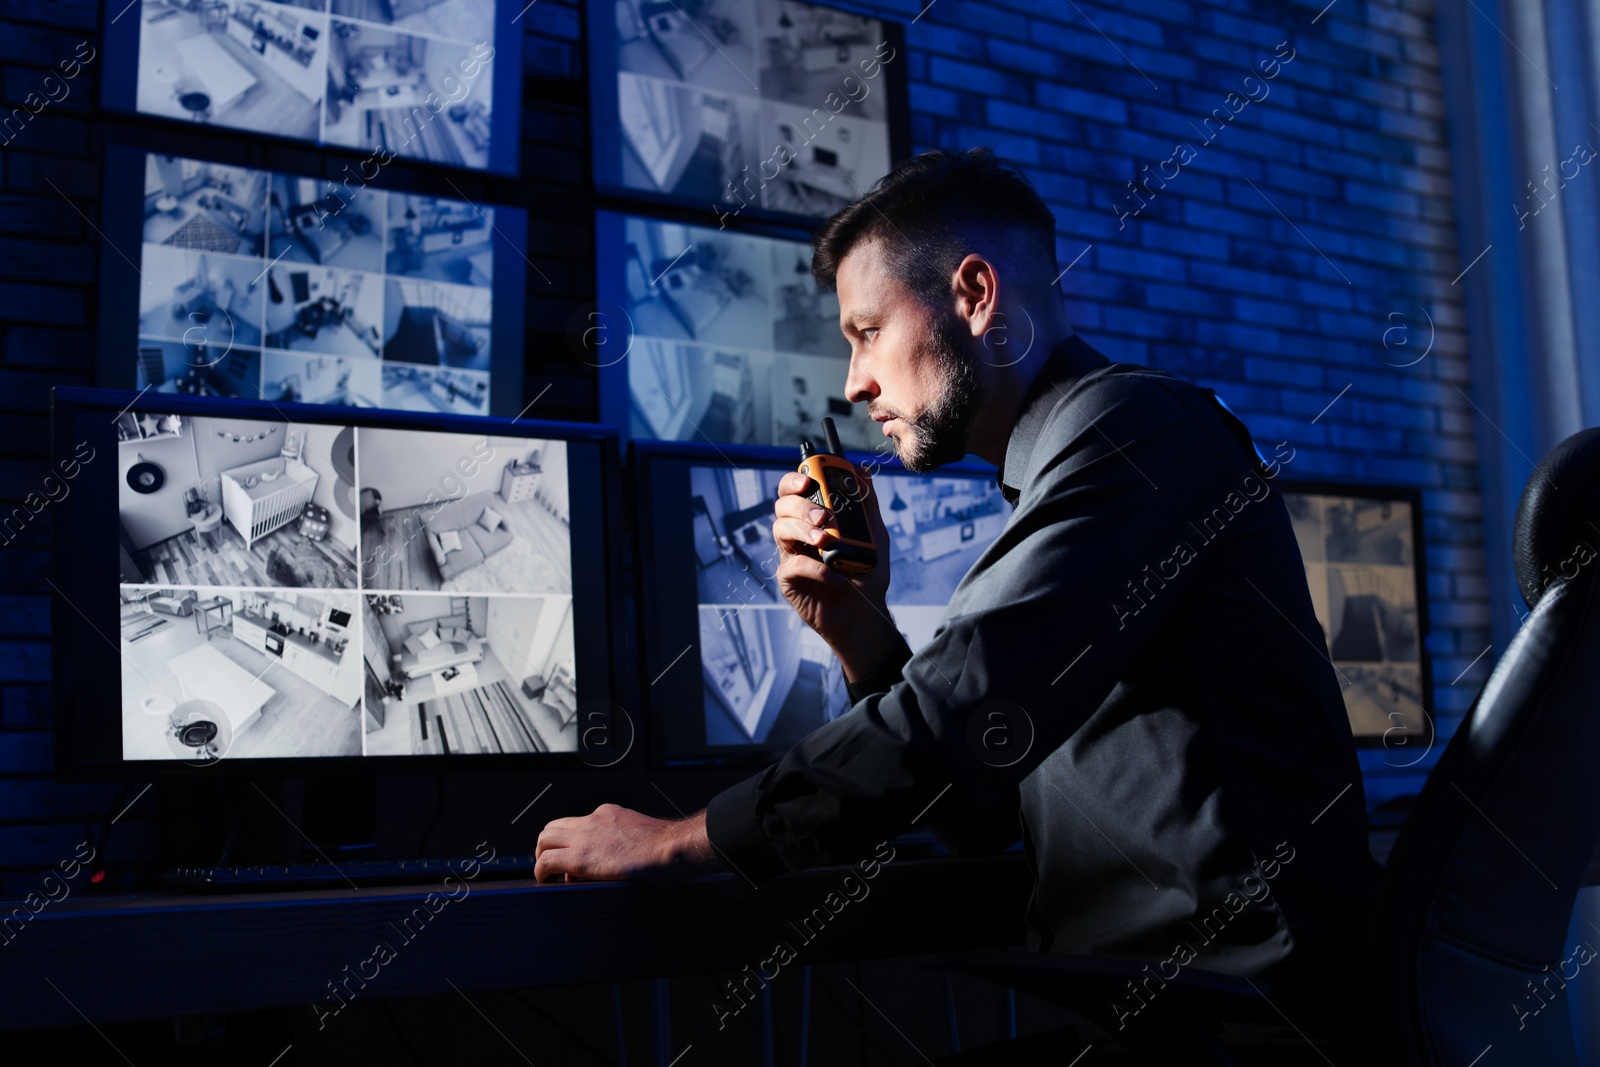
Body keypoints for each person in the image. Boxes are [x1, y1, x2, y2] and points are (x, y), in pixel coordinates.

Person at [536, 149, 1379, 1061]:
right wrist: (859, 629)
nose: (854, 381)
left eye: (866, 330)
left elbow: (953, 716)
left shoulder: (1136, 435)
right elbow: (978, 796)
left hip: (1248, 1021)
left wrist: (676, 841)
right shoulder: (1073, 478)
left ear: (975, 295)